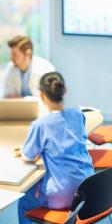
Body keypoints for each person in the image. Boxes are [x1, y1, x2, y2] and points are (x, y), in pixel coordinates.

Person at [17, 72, 94, 224]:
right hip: (89, 187)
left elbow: (28, 157)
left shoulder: (40, 124)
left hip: (63, 195)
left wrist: (23, 150)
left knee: (25, 200)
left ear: (41, 95)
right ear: (64, 90)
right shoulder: (78, 114)